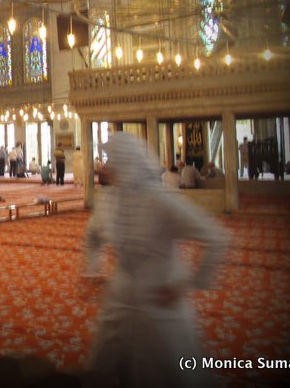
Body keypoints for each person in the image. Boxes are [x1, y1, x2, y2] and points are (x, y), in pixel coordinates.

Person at [82, 132, 227, 388]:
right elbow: (92, 236)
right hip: (120, 301)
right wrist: (91, 270)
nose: (105, 167)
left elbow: (216, 237)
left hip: (159, 305)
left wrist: (188, 283)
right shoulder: (110, 200)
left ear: (126, 162)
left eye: (111, 160)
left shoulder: (161, 200)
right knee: (104, 372)